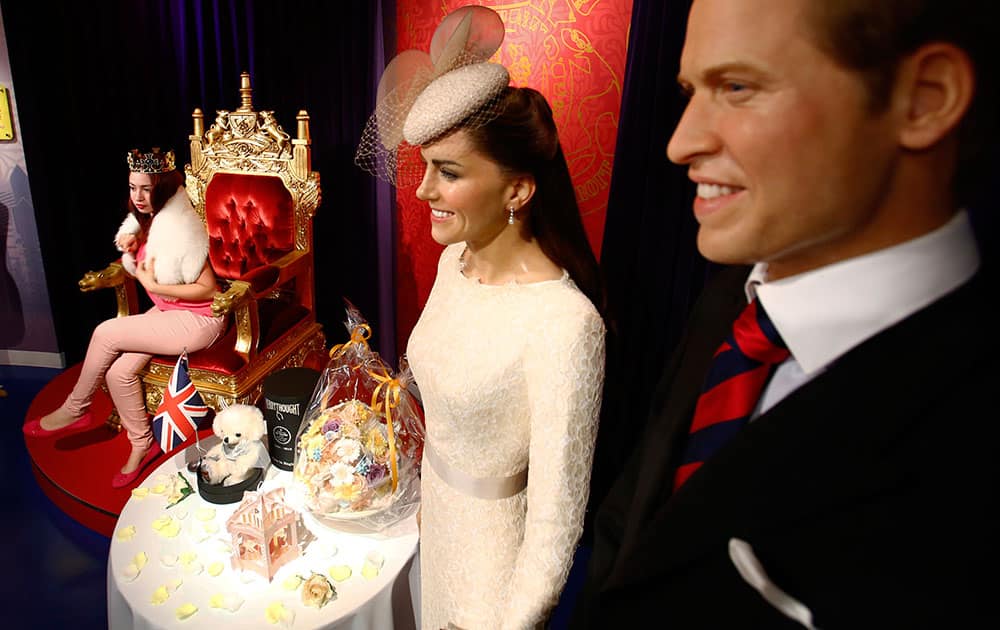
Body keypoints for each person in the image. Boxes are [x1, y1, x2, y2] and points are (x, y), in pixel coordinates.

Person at [570, 0, 996, 627]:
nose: (680, 143)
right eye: (691, 91)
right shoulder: (735, 301)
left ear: (924, 98)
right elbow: (634, 524)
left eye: (737, 87)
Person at [355, 6, 606, 629]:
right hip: (431, 525)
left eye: (449, 172)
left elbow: (556, 523)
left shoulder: (564, 323)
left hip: (492, 575)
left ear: (518, 190)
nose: (422, 191)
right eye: (426, 167)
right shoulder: (453, 265)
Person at [23, 147, 226, 489]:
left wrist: (152, 282)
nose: (138, 196)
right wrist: (135, 256)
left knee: (106, 332)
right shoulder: (148, 223)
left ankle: (76, 407)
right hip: (169, 312)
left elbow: (211, 291)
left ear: (162, 188)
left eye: (146, 188)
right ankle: (140, 443)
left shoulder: (180, 227)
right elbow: (147, 267)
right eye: (133, 188)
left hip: (199, 321)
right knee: (119, 372)